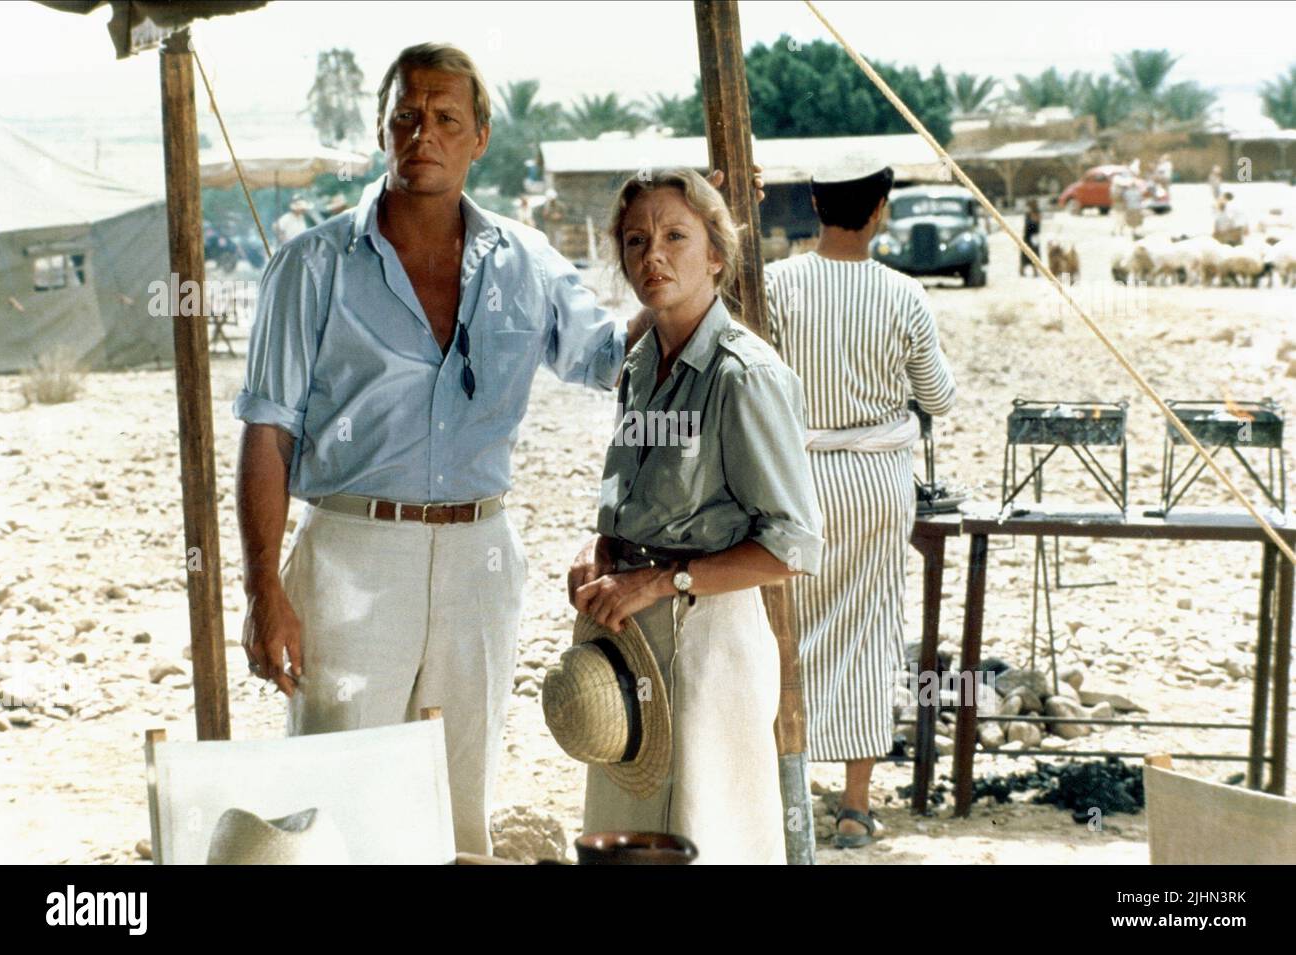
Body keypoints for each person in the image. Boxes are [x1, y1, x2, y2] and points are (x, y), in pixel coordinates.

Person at [233, 42, 656, 855]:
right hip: (353, 551)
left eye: (445, 118)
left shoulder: (524, 259)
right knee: (333, 787)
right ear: (383, 129)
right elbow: (267, 433)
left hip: (480, 554)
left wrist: (685, 270)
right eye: (405, 117)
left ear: (480, 137)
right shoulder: (310, 265)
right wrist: (262, 590)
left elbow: (608, 358)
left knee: (459, 790)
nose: (422, 133)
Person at [563, 168, 824, 865]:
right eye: (636, 240)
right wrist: (601, 547)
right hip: (631, 631)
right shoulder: (641, 365)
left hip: (711, 639)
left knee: (709, 832)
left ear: (716, 253)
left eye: (676, 236)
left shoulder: (745, 375)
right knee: (631, 828)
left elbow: (793, 545)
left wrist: (660, 582)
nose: (653, 256)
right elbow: (630, 493)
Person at [762, 162, 956, 849]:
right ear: (880, 209)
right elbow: (938, 398)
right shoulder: (904, 294)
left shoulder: (777, 284)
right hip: (876, 483)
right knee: (871, 634)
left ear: (814, 203)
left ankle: (778, 794)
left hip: (794, 479)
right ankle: (852, 805)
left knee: (782, 633)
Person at [1021, 198, 1042, 276]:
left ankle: (1035, 271)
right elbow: (1028, 225)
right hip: (1028, 236)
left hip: (1035, 236)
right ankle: (1022, 270)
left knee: (1035, 254)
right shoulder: (1028, 213)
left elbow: (1038, 223)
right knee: (1025, 254)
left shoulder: (1037, 212)